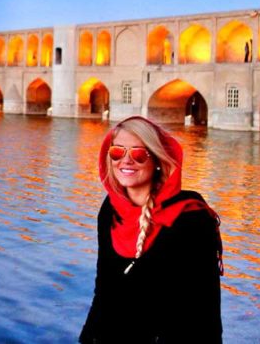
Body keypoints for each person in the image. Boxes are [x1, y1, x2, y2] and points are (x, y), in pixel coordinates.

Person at [80, 116, 223, 343]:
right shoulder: (110, 209)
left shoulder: (191, 221)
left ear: (157, 160)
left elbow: (204, 316)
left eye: (138, 154)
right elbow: (104, 292)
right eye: (118, 152)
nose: (126, 161)